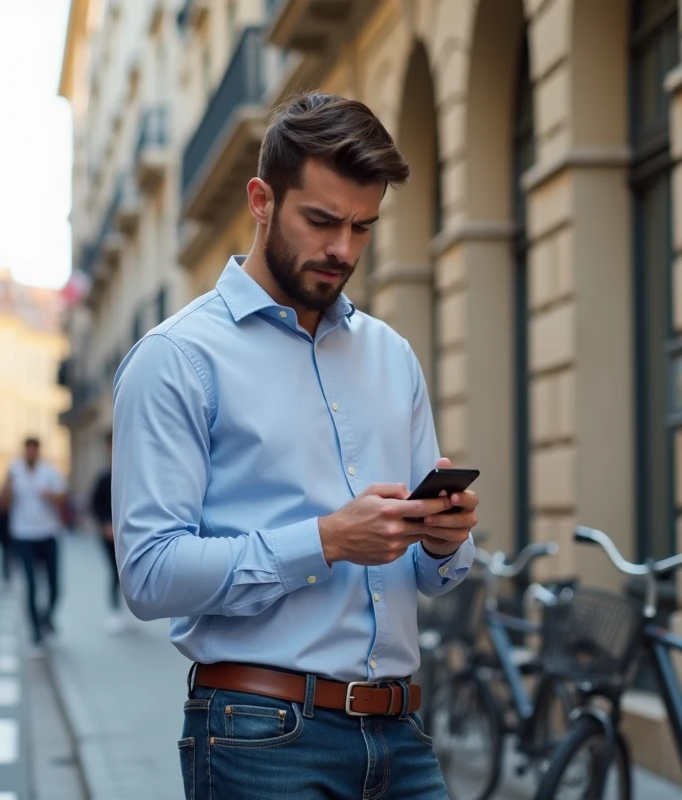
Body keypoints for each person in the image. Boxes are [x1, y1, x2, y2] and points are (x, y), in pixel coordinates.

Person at [111, 92, 478, 798]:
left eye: (363, 227)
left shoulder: (392, 355)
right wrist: (327, 540)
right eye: (321, 220)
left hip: (402, 737)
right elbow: (149, 575)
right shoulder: (177, 359)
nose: (343, 249)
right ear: (261, 199)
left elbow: (437, 578)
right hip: (260, 737)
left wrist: (442, 539)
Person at [0, 436, 68, 651]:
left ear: (38, 451)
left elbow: (64, 499)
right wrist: (7, 488)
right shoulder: (14, 471)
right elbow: (2, 507)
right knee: (30, 586)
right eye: (27, 450)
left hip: (48, 534)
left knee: (55, 586)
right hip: (24, 535)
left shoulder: (49, 472)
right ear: (24, 451)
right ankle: (36, 635)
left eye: (34, 450)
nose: (30, 454)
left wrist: (49, 495)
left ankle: (46, 617)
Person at [89, 430, 123, 633]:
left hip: (126, 535)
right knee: (114, 571)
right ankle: (114, 612)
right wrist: (105, 525)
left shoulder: (129, 475)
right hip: (109, 535)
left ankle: (124, 612)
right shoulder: (103, 478)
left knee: (126, 574)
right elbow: (96, 505)